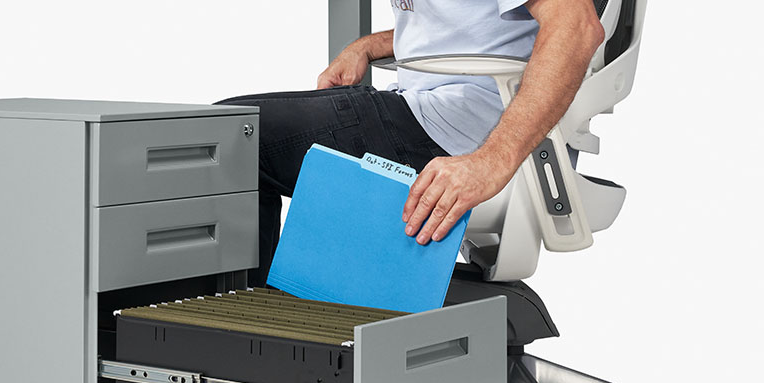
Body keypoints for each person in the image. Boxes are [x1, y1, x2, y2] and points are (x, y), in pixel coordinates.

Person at [217, 0, 604, 288]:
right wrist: (369, 45)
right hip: (434, 111)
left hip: (465, 129)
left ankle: (237, 340)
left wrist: (490, 162)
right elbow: (472, 23)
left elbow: (577, 26)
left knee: (221, 139)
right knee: (224, 127)